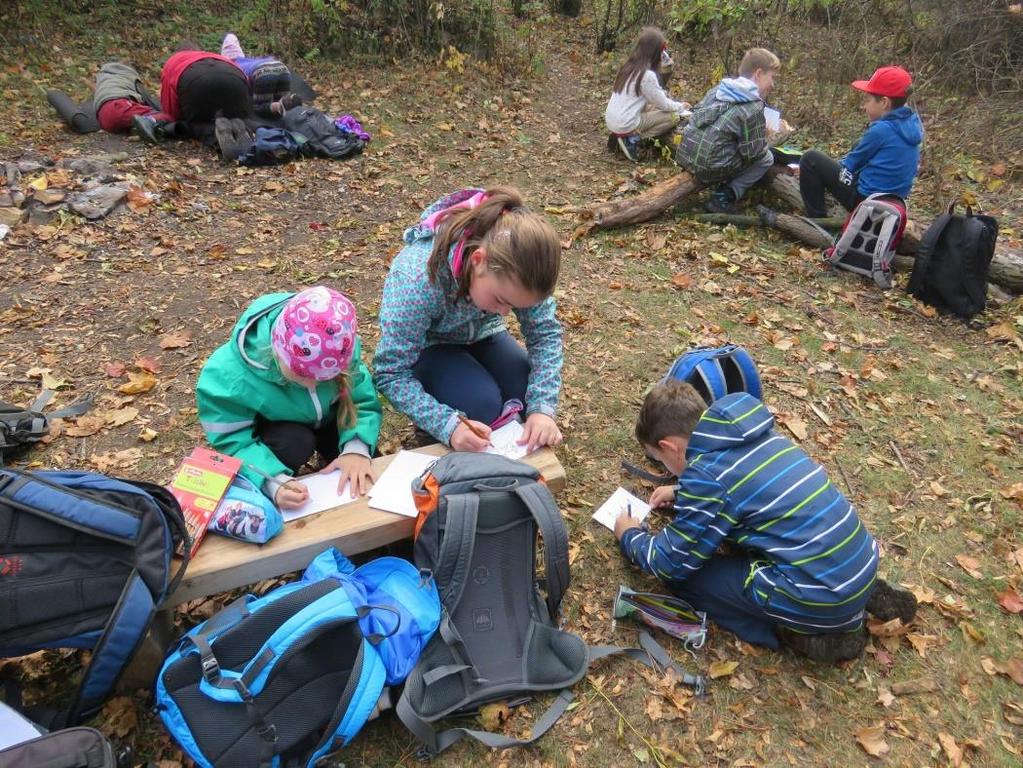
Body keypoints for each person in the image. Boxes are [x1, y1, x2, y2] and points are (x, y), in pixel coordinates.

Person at [614, 380, 918, 663]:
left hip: (817, 594)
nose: (664, 466)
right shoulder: (757, 437)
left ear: (670, 447)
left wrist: (631, 535)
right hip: (856, 558)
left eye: (660, 459)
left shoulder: (708, 475)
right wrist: (683, 494)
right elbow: (743, 491)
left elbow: (670, 561)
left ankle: (812, 635)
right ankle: (864, 593)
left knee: (690, 579)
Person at [373, 186, 564, 454]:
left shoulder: (524, 266)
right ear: (478, 261)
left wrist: (542, 409)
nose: (505, 313)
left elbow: (544, 333)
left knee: (524, 391)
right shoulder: (416, 281)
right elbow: (390, 373)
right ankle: (434, 421)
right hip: (431, 347)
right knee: (480, 406)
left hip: (483, 335)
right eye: (501, 300)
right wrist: (448, 426)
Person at [196, 287, 382, 510]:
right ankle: (277, 478)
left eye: (326, 378)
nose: (313, 385)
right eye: (302, 376)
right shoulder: (228, 377)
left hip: (332, 418)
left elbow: (360, 401)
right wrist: (273, 482)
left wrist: (356, 448)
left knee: (365, 477)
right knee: (295, 442)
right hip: (279, 433)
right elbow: (233, 441)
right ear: (277, 350)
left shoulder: (338, 346)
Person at [798, 66, 923, 218]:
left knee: (810, 159)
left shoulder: (882, 130)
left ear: (884, 102)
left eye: (867, 100)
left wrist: (824, 171)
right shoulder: (911, 123)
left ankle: (817, 219)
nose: (863, 106)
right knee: (858, 144)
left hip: (866, 201)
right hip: (894, 202)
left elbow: (849, 166)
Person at [675, 47, 780, 214]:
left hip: (686, 154)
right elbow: (752, 153)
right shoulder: (752, 107)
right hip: (708, 167)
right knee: (766, 158)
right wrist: (763, 134)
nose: (773, 85)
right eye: (772, 78)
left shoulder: (720, 88)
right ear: (758, 74)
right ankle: (724, 197)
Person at [133, 41, 252, 146]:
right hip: (236, 79)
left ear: (177, 52)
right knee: (239, 116)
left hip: (195, 81)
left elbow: (171, 110)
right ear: (200, 50)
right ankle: (245, 129)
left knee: (193, 122)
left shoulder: (174, 60)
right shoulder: (215, 56)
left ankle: (215, 134)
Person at [605, 27, 691, 162]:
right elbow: (664, 104)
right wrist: (681, 107)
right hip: (625, 123)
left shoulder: (629, 66)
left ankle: (622, 136)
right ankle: (632, 138)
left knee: (655, 107)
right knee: (673, 117)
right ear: (656, 52)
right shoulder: (647, 75)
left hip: (612, 118)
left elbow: (652, 98)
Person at [220, 33, 302, 118]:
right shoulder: (249, 60)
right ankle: (293, 105)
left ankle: (278, 106)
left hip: (262, 71)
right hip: (282, 67)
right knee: (284, 106)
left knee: (259, 107)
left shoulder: (232, 67)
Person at [92, 62, 172, 135]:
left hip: (103, 119)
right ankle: (150, 121)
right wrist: (158, 110)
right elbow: (146, 98)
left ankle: (140, 128)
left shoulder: (103, 78)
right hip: (120, 106)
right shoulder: (128, 73)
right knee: (167, 117)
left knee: (131, 122)